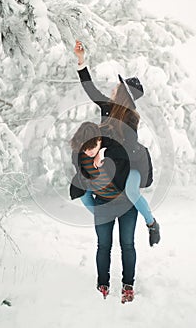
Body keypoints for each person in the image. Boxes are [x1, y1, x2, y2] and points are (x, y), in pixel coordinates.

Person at [73, 40, 160, 247]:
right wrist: (81, 61)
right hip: (109, 161)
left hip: (130, 163)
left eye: (118, 87)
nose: (114, 88)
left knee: (131, 191)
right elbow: (90, 89)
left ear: (122, 94)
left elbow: (126, 150)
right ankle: (103, 215)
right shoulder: (107, 108)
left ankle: (151, 224)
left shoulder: (131, 118)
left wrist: (104, 151)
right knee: (82, 189)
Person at [70, 121, 139, 303]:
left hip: (126, 204)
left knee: (128, 245)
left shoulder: (113, 147)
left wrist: (104, 152)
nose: (89, 152)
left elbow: (127, 153)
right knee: (103, 246)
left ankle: (128, 285)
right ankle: (103, 284)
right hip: (103, 204)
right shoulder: (79, 154)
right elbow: (81, 173)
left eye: (92, 147)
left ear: (100, 140)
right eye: (85, 149)